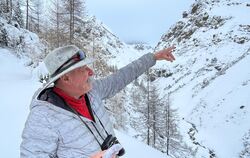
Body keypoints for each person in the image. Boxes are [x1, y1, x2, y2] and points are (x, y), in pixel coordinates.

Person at [20, 45, 175, 158]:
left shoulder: (92, 91)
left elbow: (122, 76)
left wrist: (153, 57)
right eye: (83, 69)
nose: (91, 72)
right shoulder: (43, 117)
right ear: (66, 78)